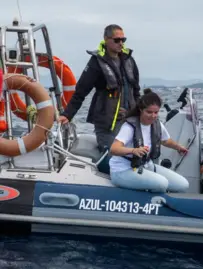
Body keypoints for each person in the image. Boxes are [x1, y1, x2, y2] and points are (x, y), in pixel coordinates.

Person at [59, 24, 141, 152]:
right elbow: (81, 91)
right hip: (107, 123)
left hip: (129, 121)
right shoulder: (96, 62)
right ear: (106, 39)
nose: (121, 43)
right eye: (117, 40)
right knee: (110, 158)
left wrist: (140, 113)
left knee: (132, 157)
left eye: (123, 40)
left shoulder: (129, 61)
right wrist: (67, 114)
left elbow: (136, 91)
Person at [109, 89, 189, 193]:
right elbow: (114, 149)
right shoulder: (129, 127)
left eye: (156, 112)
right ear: (141, 110)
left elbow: (165, 141)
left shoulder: (156, 124)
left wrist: (178, 147)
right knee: (162, 183)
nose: (153, 116)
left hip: (146, 166)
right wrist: (133, 151)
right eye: (149, 112)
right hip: (122, 170)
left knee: (183, 185)